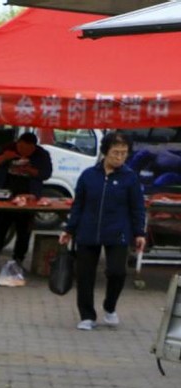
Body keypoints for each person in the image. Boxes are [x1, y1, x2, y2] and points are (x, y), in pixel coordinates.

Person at [60, 132, 146, 331]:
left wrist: (139, 232)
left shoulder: (130, 178)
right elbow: (78, 205)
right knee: (85, 275)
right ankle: (87, 315)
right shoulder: (89, 176)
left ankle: (110, 305)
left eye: (124, 153)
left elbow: (137, 207)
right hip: (88, 231)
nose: (119, 157)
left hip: (118, 232)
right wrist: (69, 229)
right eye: (116, 152)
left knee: (117, 272)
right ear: (105, 152)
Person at [0, 131, 53, 269]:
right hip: (6, 195)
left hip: (29, 196)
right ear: (18, 144)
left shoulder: (41, 154)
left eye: (28, 150)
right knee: (0, 228)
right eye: (21, 148)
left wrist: (29, 169)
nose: (24, 152)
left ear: (34, 147)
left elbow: (45, 174)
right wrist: (5, 156)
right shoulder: (7, 147)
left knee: (24, 231)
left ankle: (18, 259)